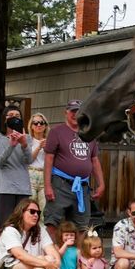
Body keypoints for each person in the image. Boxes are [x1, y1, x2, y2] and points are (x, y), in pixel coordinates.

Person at [44, 98, 106, 239]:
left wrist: (101, 184)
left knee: (82, 225)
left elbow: (95, 160)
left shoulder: (89, 133)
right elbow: (48, 159)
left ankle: (77, 258)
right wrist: (48, 186)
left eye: (78, 112)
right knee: (53, 222)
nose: (75, 114)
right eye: (72, 111)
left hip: (82, 187)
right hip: (61, 184)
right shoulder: (57, 132)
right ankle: (54, 257)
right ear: (66, 112)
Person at [0, 106, 33, 231]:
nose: (14, 117)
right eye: (10, 115)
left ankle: (21, 251)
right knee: (5, 226)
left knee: (23, 226)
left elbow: (29, 160)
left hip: (23, 189)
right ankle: (2, 251)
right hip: (5, 188)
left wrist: (24, 144)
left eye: (17, 115)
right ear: (4, 119)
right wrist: (11, 146)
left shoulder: (27, 138)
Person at [27, 113, 49, 209]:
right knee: (30, 205)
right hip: (31, 173)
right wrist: (39, 147)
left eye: (41, 122)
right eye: (35, 123)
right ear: (31, 126)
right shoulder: (28, 141)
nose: (39, 125)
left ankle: (42, 224)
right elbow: (28, 159)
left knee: (44, 207)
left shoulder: (50, 141)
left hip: (45, 174)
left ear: (45, 125)